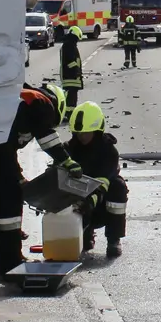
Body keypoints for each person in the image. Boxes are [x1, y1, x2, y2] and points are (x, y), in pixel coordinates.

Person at [0, 83, 66, 276]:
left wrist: (17, 176)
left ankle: (0, 256)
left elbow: (8, 151)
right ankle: (11, 260)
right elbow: (47, 139)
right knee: (9, 198)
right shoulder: (42, 104)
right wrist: (66, 160)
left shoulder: (23, 103)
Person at [48, 101, 129, 258]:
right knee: (80, 246)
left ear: (96, 131)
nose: (82, 136)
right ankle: (85, 234)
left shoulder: (109, 151)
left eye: (86, 133)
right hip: (75, 206)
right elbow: (57, 178)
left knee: (118, 186)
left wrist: (90, 202)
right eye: (78, 133)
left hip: (100, 206)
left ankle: (114, 239)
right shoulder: (68, 149)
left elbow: (104, 181)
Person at [59, 26, 83, 112]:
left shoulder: (68, 44)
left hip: (71, 76)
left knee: (70, 97)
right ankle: (69, 114)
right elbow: (70, 60)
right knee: (71, 98)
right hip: (71, 77)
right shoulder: (69, 45)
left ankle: (68, 113)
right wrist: (77, 71)